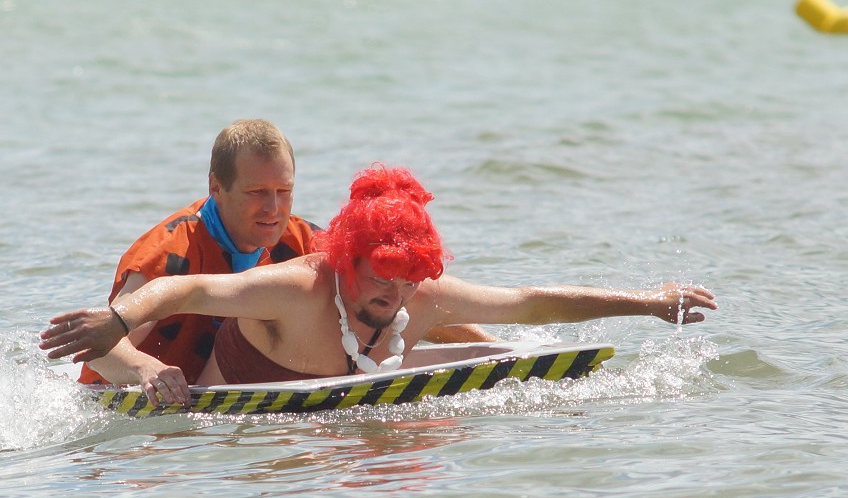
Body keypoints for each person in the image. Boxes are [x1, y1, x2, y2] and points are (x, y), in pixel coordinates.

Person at [41, 165, 716, 405]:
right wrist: (120, 324)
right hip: (231, 404)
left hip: (350, 378)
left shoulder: (415, 290)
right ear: (348, 259)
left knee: (505, 361)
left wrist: (650, 305)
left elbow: (531, 299)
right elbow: (184, 294)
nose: (393, 295)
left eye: (407, 281)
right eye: (379, 277)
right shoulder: (298, 286)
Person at [73, 119, 489, 403]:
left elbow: (384, 293)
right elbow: (99, 350)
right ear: (216, 187)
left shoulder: (303, 239)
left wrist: (487, 345)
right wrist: (147, 368)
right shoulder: (170, 253)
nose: (273, 208)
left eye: (284, 191)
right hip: (132, 402)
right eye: (257, 193)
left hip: (228, 390)